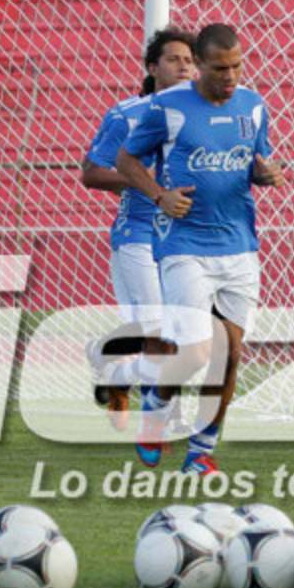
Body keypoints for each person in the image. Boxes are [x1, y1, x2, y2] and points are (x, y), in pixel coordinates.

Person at [116, 23, 285, 475]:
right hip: (184, 245)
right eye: (219, 68)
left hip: (239, 246)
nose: (229, 77)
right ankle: (155, 407)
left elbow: (256, 160)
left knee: (229, 353)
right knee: (193, 350)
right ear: (199, 66)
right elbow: (126, 161)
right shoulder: (166, 107)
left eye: (236, 67)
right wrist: (159, 196)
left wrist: (263, 173)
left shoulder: (252, 105)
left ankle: (201, 450)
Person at [81, 27, 196, 430]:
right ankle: (170, 418)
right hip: (139, 235)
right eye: (174, 59)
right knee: (161, 333)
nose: (184, 66)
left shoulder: (202, 115)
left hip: (185, 239)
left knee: (181, 331)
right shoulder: (126, 115)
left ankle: (109, 358)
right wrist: (141, 180)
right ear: (153, 67)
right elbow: (92, 173)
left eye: (189, 60)